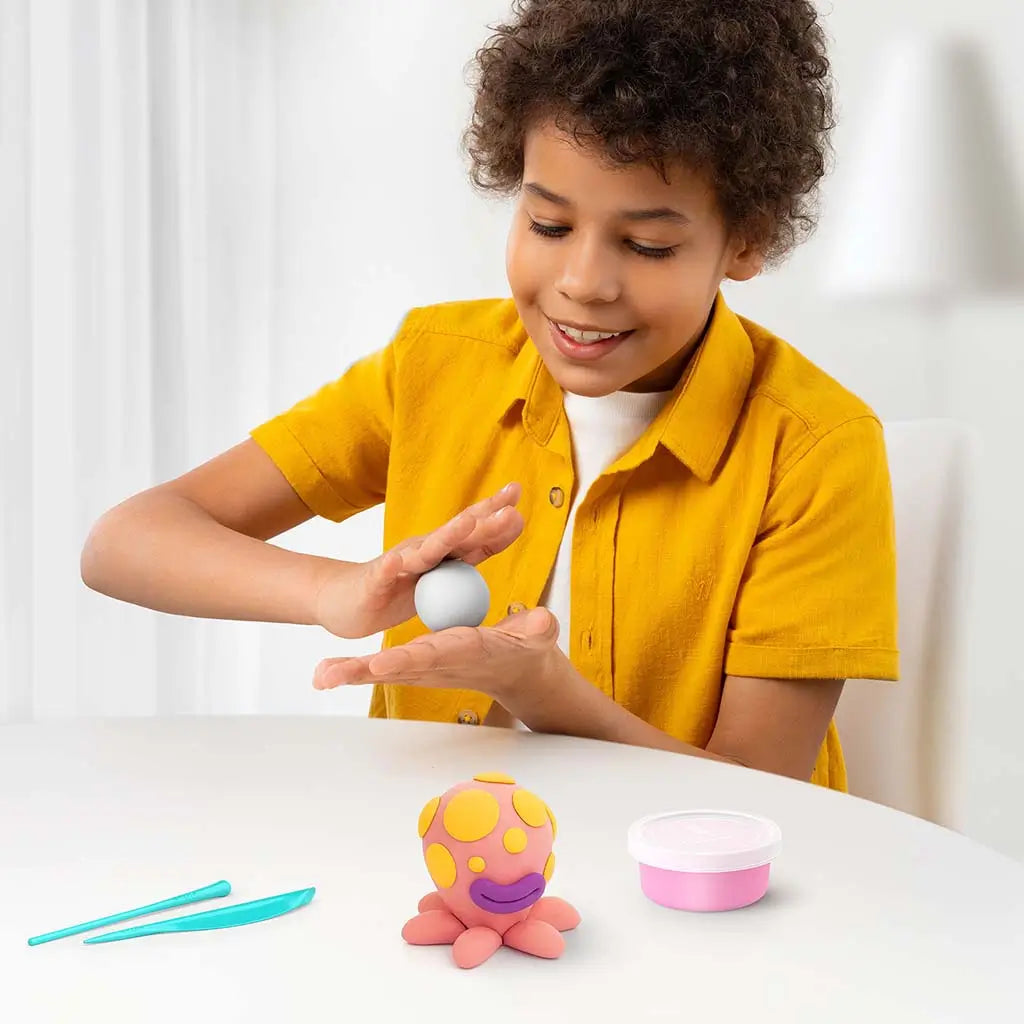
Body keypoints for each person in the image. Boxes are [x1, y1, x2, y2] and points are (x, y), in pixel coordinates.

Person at [81, 0, 898, 790]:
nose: (583, 283)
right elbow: (126, 543)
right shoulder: (436, 366)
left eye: (647, 245)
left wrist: (548, 695)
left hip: (684, 907)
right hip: (433, 869)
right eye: (548, 225)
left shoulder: (816, 449)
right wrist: (338, 591)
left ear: (746, 240)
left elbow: (763, 798)